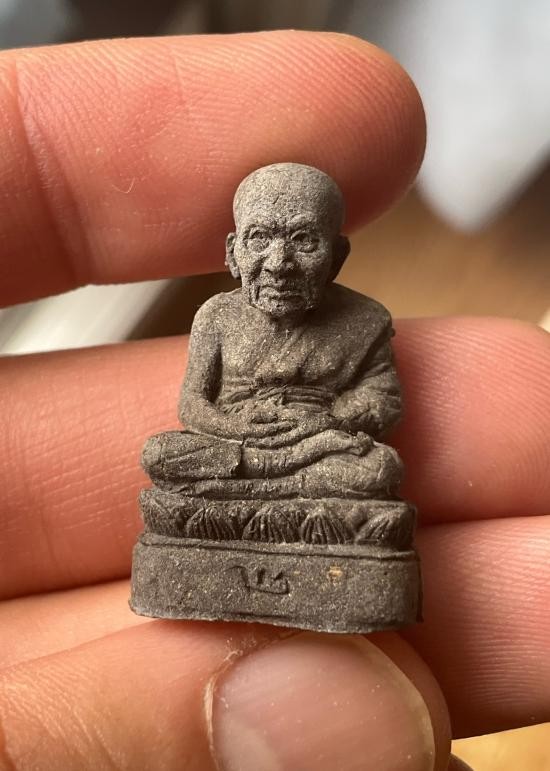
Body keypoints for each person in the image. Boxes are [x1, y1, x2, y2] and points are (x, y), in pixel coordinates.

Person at [1, 29, 548, 771]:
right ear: (232, 252)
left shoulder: (364, 321)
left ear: (338, 254)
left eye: (304, 241)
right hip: (237, 448)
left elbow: (383, 401)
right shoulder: (216, 317)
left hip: (320, 449)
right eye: (260, 239)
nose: (280, 262)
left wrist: (329, 421)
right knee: (165, 457)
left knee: (375, 473)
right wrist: (247, 431)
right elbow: (196, 410)